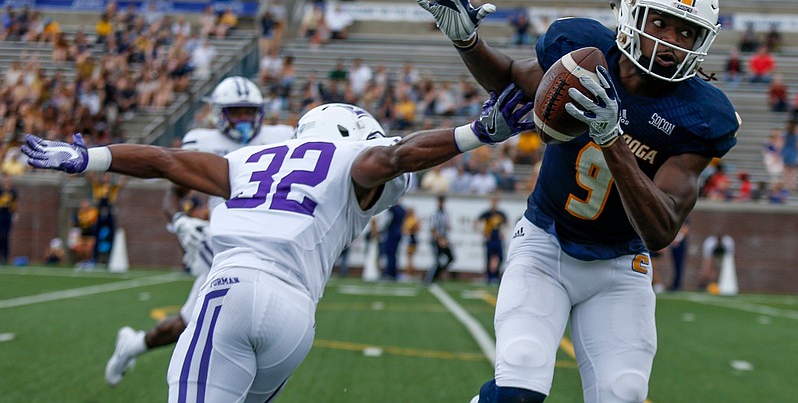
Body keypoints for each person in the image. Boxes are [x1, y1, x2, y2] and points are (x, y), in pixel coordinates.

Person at [24, 88, 535, 402]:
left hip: (232, 287)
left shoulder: (253, 160)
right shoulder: (355, 164)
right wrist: (475, 132)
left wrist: (87, 157)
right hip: (295, 318)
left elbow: (163, 160)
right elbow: (395, 158)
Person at [416, 0, 739, 402]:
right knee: (521, 379)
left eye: (687, 32)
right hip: (546, 244)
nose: (670, 42)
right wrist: (468, 42)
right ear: (632, 12)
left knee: (623, 392)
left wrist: (612, 138)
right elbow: (512, 79)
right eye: (662, 23)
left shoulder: (700, 115)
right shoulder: (584, 55)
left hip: (621, 265)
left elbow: (661, 229)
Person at [103, 76, 296, 387]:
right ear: (218, 113)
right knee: (233, 320)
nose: (244, 119)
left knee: (189, 321)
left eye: (249, 112)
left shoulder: (283, 137)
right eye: (236, 112)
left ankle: (134, 345)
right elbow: (173, 194)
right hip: (226, 243)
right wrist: (179, 220)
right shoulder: (202, 142)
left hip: (270, 238)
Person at [475, 196, 507, 284]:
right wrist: (484, 233)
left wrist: (503, 233)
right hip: (490, 239)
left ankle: (496, 275)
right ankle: (489, 276)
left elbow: (506, 224)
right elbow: (477, 222)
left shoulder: (500, 214)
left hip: (497, 238)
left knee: (500, 257)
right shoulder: (487, 213)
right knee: (489, 257)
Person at [423, 195, 454, 285]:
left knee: (451, 258)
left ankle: (438, 274)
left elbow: (447, 226)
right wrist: (440, 239)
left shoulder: (446, 213)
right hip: (436, 241)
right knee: (437, 260)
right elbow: (433, 229)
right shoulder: (434, 213)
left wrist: (446, 238)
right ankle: (428, 279)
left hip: (444, 239)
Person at [380, 202, 407, 281]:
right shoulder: (402, 209)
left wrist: (383, 230)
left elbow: (388, 221)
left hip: (392, 233)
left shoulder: (393, 208)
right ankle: (393, 272)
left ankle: (389, 273)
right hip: (398, 232)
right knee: (394, 254)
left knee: (390, 254)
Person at [0, 174, 18, 265]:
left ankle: (5, 258)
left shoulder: (13, 191)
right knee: (1, 235)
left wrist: (15, 215)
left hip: (8, 215)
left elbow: (15, 204)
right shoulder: (0, 190)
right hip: (1, 215)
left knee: (6, 236)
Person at [402, 206, 421, 278]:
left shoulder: (413, 219)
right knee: (409, 258)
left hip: (411, 239)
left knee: (410, 258)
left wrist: (411, 230)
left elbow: (416, 228)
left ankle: (409, 273)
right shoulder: (408, 219)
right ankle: (409, 273)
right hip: (408, 239)